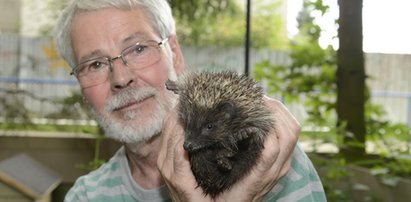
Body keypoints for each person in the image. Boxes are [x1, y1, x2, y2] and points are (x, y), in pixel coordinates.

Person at [55, 0, 326, 201]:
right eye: (94, 64)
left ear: (174, 53)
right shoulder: (85, 197)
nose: (121, 77)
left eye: (138, 49)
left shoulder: (273, 158)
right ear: (79, 84)